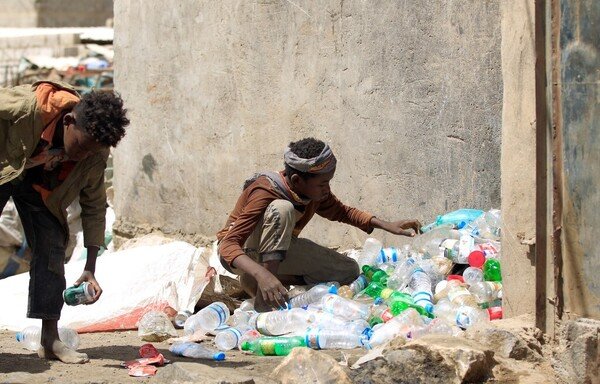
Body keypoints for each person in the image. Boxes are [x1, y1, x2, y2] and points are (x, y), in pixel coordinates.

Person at [0, 81, 129, 363]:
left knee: (52, 248)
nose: (82, 155)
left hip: (41, 189)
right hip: (5, 168)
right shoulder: (27, 108)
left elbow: (94, 205)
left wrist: (90, 267)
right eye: (80, 147)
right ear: (69, 121)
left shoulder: (95, 148)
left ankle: (50, 341)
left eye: (91, 152)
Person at [217, 137, 421, 312]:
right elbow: (227, 245)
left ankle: (265, 285)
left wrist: (386, 224)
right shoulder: (264, 190)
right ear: (297, 180)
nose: (327, 189)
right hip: (243, 252)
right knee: (282, 208)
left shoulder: (311, 192)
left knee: (348, 270)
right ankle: (265, 298)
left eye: (328, 182)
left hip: (275, 251)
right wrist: (261, 273)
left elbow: (341, 211)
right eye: (323, 184)